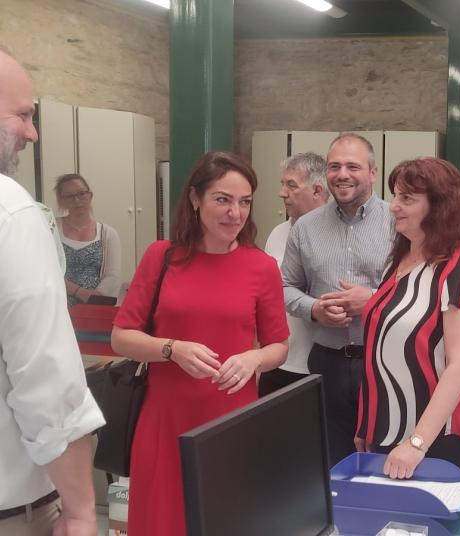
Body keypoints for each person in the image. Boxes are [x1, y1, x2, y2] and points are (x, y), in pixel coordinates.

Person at [110, 151, 289, 536]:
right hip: (166, 420)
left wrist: (254, 358)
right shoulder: (162, 257)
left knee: (226, 520)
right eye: (223, 200)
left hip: (231, 422)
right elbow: (121, 337)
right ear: (195, 198)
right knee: (164, 522)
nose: (235, 213)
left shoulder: (261, 267)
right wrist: (171, 349)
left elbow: (279, 346)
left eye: (244, 202)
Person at [0, 49, 105, 536]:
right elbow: (46, 380)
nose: (32, 133)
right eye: (22, 115)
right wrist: (81, 509)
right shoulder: (12, 212)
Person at [356, 158, 460, 476]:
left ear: (439, 207)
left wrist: (417, 443)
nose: (393, 206)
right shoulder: (398, 262)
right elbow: (378, 348)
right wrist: (367, 422)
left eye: (407, 198)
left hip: (433, 436)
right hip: (386, 426)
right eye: (395, 196)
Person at [283, 132, 395, 465]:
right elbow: (285, 286)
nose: (342, 174)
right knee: (332, 462)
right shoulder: (304, 228)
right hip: (326, 363)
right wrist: (314, 309)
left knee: (383, 461)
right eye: (334, 166)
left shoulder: (398, 222)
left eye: (352, 166)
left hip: (384, 361)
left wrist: (372, 300)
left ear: (373, 173)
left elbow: (418, 289)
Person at [259, 152, 329, 396]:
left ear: (317, 190)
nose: (282, 193)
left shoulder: (336, 236)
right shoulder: (278, 233)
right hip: (278, 361)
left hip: (316, 365)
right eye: (282, 184)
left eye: (291, 185)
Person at [54, 173, 121, 306]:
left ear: (90, 196)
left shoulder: (108, 234)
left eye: (81, 193)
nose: (77, 200)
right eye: (69, 196)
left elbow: (112, 276)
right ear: (61, 201)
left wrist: (95, 298)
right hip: (58, 304)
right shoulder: (51, 229)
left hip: (95, 306)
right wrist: (79, 292)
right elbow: (47, 272)